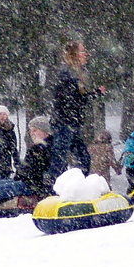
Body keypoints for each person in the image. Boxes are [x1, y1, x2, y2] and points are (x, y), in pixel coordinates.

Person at [49, 41, 105, 178]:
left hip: (72, 124)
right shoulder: (67, 74)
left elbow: (78, 98)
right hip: (64, 124)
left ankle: (78, 186)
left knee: (83, 158)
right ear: (74, 55)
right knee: (60, 159)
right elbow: (72, 99)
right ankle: (53, 189)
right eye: (82, 51)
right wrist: (93, 94)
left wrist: (94, 93)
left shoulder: (77, 73)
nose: (86, 54)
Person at [0, 105, 20, 179]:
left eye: (4, 114)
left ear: (7, 115)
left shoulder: (10, 130)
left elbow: (13, 148)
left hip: (6, 164)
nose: (2, 116)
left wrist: (17, 164)